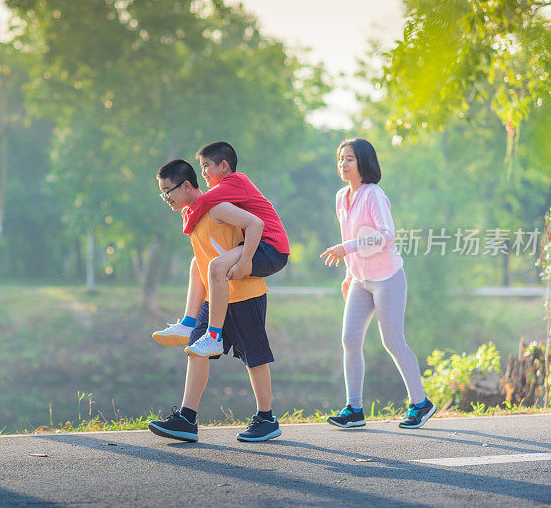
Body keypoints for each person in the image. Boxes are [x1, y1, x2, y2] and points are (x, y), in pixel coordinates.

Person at [148, 159, 281, 442]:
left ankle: (266, 418)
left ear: (186, 186)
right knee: (197, 350)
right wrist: (190, 316)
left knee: (254, 358)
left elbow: (254, 225)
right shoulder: (192, 216)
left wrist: (245, 262)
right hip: (215, 298)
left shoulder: (217, 206)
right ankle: (187, 418)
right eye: (162, 194)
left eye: (167, 191)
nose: (166, 198)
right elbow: (200, 263)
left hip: (244, 292)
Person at [320, 138, 436, 429]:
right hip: (360, 281)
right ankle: (354, 409)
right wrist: (349, 275)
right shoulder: (340, 197)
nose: (343, 164)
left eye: (350, 159)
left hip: (388, 279)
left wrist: (347, 247)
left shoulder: (374, 194)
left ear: (364, 163)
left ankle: (420, 404)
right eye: (341, 159)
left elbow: (387, 235)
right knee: (349, 340)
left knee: (393, 341)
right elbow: (350, 231)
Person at [151, 142, 290, 359]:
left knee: (216, 266)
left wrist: (244, 263)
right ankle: (188, 323)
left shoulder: (235, 182)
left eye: (206, 166)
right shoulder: (222, 191)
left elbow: (204, 201)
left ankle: (214, 336)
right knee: (198, 262)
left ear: (224, 166)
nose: (203, 173)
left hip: (271, 246)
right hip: (256, 243)